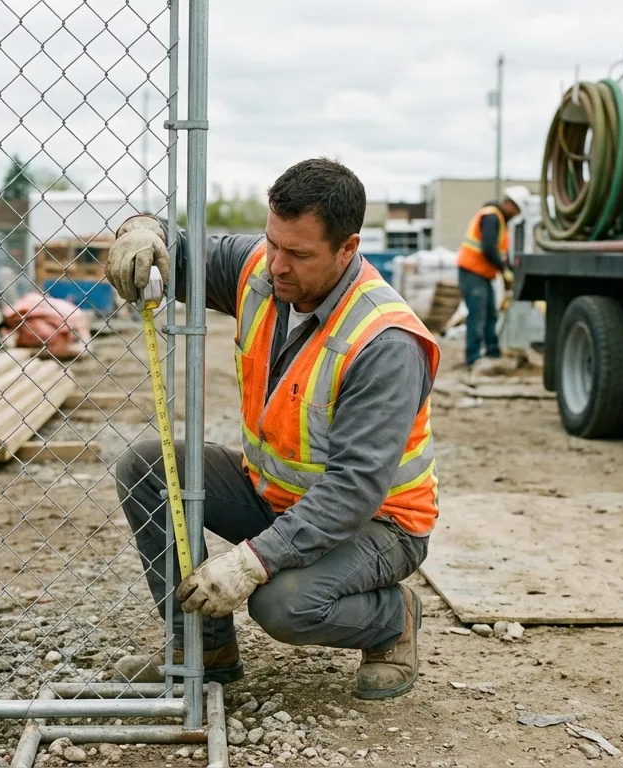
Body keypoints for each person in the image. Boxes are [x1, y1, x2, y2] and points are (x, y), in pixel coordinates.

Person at [104, 158, 440, 700]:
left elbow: (353, 489)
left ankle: (393, 618)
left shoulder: (384, 343)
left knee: (282, 603)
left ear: (348, 249)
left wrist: (249, 562)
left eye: (299, 254)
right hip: (277, 496)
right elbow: (176, 248)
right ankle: (204, 649)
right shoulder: (263, 268)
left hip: (378, 523)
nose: (277, 265)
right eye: (272, 243)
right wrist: (141, 231)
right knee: (146, 469)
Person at [455, 198, 521, 374]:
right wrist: (504, 271)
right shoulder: (492, 217)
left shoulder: (498, 220)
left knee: (490, 314)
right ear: (508, 204)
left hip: (482, 274)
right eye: (516, 209)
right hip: (472, 271)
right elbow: (489, 249)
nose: (516, 214)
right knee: (478, 315)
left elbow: (497, 251)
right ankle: (473, 357)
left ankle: (493, 353)